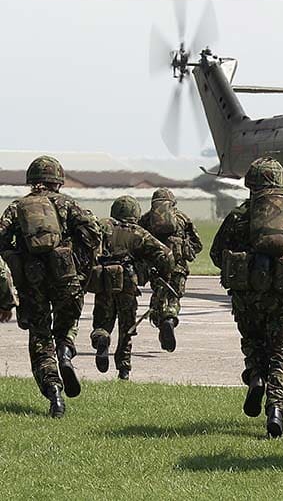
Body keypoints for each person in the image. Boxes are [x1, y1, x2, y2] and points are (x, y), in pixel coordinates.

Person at [210, 156, 283, 438]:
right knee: (281, 353)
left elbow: (215, 254)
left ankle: (256, 376)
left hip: (247, 298)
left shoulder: (239, 216)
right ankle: (276, 409)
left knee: (253, 344)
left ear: (251, 185)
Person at [0, 156, 100, 417]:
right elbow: (93, 233)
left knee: (40, 337)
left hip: (33, 283)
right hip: (66, 277)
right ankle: (66, 352)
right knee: (67, 323)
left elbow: (1, 240)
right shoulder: (67, 204)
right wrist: (79, 264)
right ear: (58, 180)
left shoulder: (17, 207)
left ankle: (54, 394)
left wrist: (17, 263)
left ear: (31, 180)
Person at [89, 196, 174, 380]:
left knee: (102, 322)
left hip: (103, 282)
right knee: (126, 328)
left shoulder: (102, 226)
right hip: (127, 283)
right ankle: (124, 369)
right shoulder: (138, 233)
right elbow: (166, 255)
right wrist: (161, 274)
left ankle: (101, 338)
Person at [139, 187, 202, 353]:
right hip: (178, 266)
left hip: (156, 267)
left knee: (158, 296)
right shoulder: (182, 218)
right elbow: (198, 244)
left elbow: (137, 240)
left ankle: (161, 322)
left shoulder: (146, 219)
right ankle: (170, 319)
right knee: (174, 297)